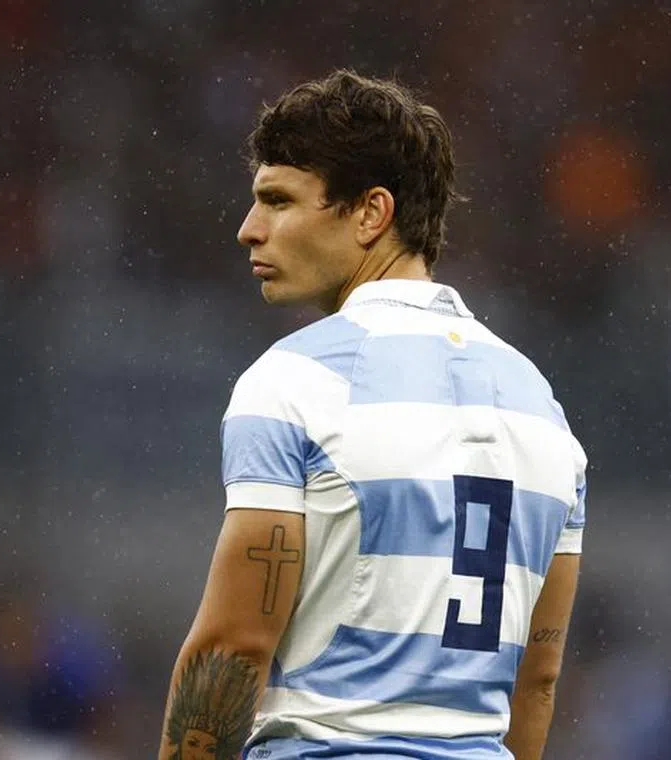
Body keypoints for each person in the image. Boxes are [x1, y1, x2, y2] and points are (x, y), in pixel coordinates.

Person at [158, 69, 588, 760]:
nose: (248, 230)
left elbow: (232, 648)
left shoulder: (292, 382)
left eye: (278, 200)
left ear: (370, 213)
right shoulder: (543, 411)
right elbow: (535, 682)